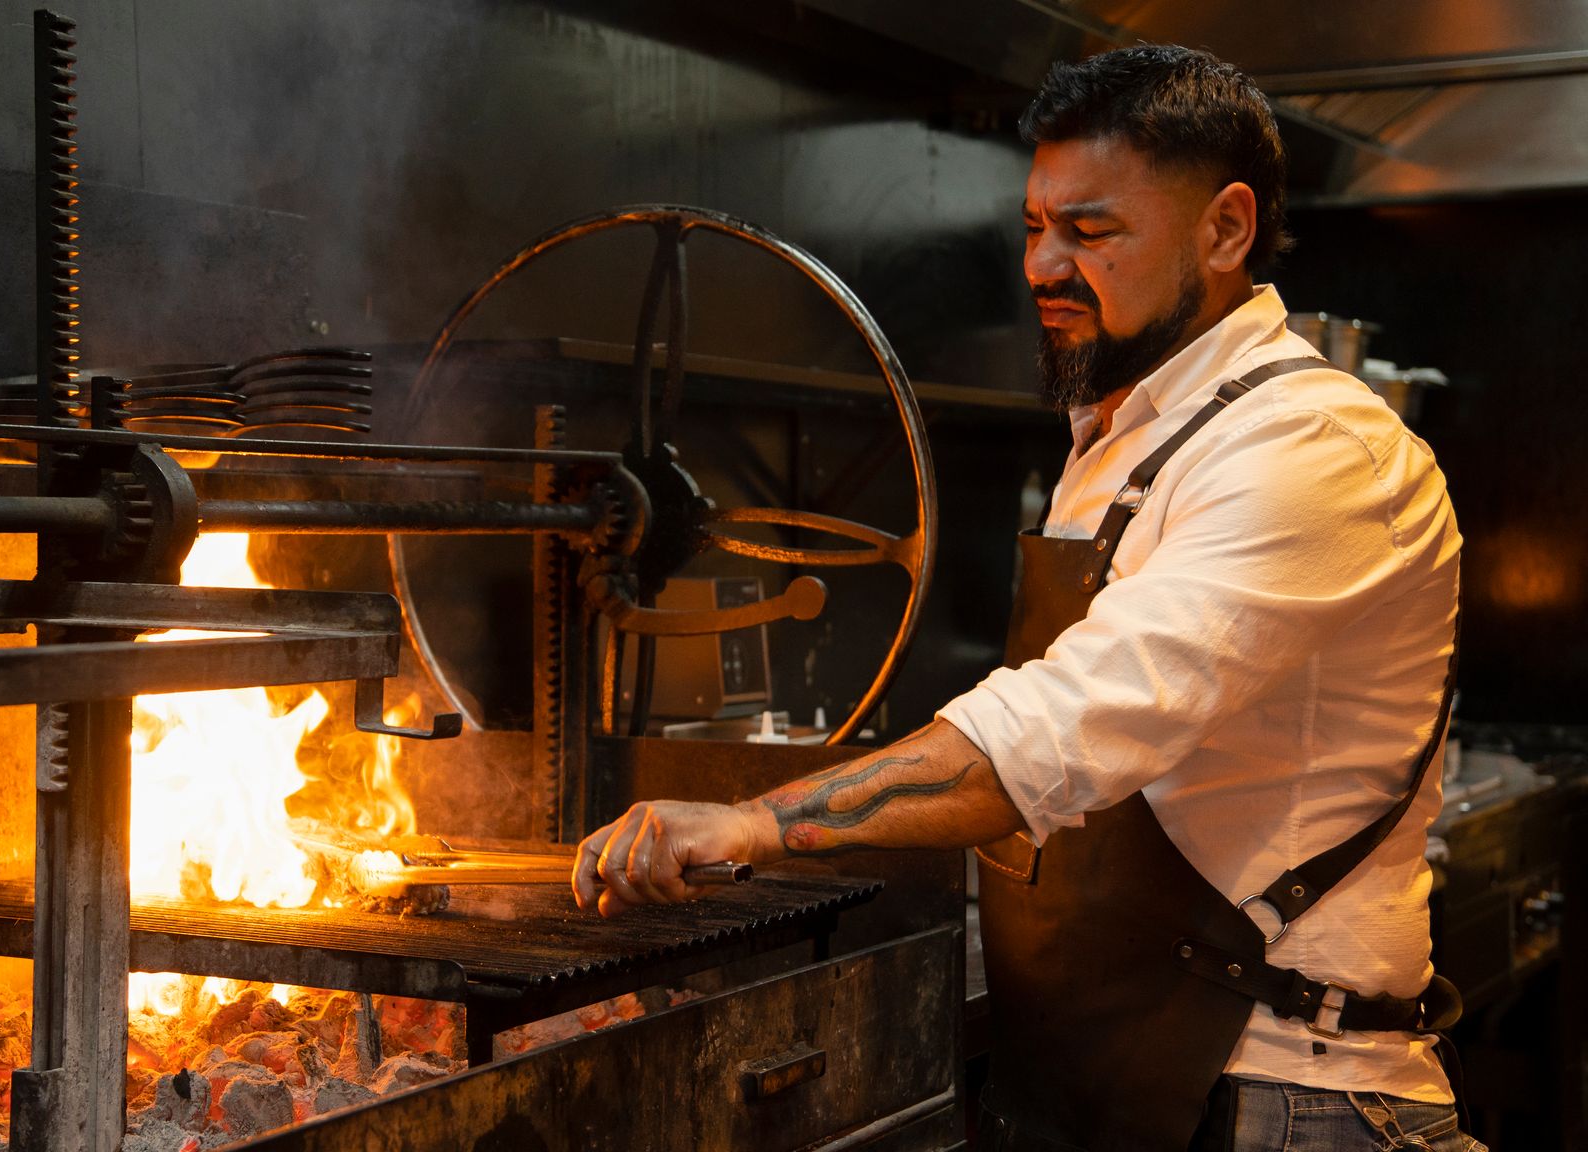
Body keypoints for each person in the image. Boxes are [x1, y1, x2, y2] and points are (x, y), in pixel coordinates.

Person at [572, 45, 1475, 1152]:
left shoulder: (1309, 447)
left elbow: (1062, 727)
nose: (1043, 265)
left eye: (1089, 231)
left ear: (1225, 230)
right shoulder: (1124, 435)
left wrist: (757, 822)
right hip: (1122, 1088)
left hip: (1284, 1102)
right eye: (1032, 226)